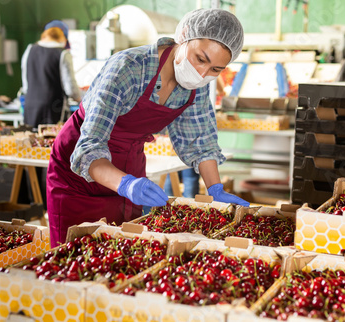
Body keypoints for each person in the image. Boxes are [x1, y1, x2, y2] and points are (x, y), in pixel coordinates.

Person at [46, 8, 250, 246]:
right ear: (183, 36)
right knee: (74, 254)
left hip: (129, 166)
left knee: (123, 253)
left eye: (215, 69)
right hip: (79, 173)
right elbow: (90, 148)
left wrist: (215, 188)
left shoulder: (197, 84)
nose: (203, 73)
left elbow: (200, 140)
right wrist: (125, 183)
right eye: (200, 58)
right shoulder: (128, 68)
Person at [21, 20, 82, 128]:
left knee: (32, 141)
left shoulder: (30, 49)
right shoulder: (63, 54)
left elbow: (26, 84)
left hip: (30, 106)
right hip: (53, 109)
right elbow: (70, 88)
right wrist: (81, 99)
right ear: (63, 38)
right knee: (51, 141)